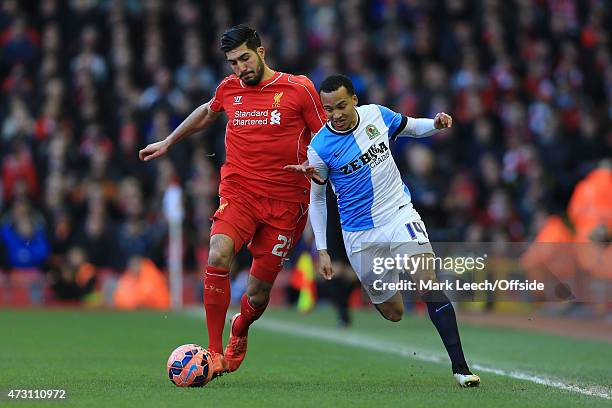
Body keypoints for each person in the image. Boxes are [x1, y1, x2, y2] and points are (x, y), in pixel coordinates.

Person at [139, 25, 326, 377]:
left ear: (262, 51)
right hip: (239, 193)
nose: (240, 68)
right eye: (232, 62)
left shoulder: (299, 89)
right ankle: (213, 352)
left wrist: (320, 166)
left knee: (257, 294)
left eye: (244, 58)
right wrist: (169, 141)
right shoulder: (230, 89)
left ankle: (239, 330)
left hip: (287, 204)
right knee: (218, 253)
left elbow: (327, 135)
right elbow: (208, 111)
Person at [285, 74, 480, 387]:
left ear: (354, 100)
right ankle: (393, 273)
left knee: (427, 282)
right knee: (394, 312)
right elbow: (318, 200)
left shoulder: (377, 115)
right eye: (328, 108)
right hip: (359, 234)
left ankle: (461, 369)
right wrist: (322, 248)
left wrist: (436, 124)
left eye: (341, 106)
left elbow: (411, 127)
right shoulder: (319, 147)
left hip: (398, 213)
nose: (335, 114)